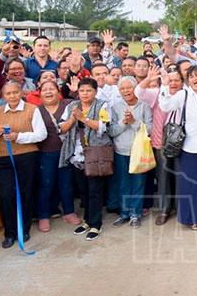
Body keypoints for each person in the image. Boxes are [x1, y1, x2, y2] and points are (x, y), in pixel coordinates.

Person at [0, 81, 47, 249]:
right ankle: (9, 232)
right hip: (2, 159)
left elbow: (41, 134)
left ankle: (24, 229)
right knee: (6, 195)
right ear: (3, 96)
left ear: (21, 93)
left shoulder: (32, 110)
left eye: (15, 93)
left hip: (27, 157)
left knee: (26, 192)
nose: (12, 96)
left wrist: (19, 137)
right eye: (8, 94)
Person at [160, 66, 197, 230]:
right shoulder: (184, 94)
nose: (195, 78)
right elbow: (166, 106)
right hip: (191, 148)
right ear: (187, 80)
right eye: (191, 76)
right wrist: (165, 86)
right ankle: (192, 218)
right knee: (192, 184)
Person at [60, 78, 112, 241]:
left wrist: (83, 118)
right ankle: (87, 221)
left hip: (96, 154)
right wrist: (73, 118)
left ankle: (96, 224)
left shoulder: (102, 104)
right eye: (82, 90)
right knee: (83, 190)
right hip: (76, 154)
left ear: (95, 92)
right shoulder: (71, 106)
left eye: (88, 90)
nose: (84, 94)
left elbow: (104, 127)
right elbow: (61, 128)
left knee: (95, 189)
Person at [137, 65, 181, 225]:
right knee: (163, 178)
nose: (173, 83)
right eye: (170, 80)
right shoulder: (157, 94)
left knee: (180, 176)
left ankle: (181, 207)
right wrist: (149, 78)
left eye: (177, 80)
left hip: (183, 144)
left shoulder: (186, 95)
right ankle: (164, 209)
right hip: (160, 143)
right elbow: (139, 93)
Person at [35, 80, 79, 232]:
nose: (48, 92)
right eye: (44, 89)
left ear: (58, 91)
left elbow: (83, 102)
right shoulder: (36, 110)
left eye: (51, 89)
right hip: (45, 153)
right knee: (46, 185)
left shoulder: (67, 104)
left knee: (66, 183)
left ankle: (69, 212)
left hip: (66, 151)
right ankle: (43, 216)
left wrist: (74, 91)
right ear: (39, 94)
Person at [109, 77, 152, 228]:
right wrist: (123, 122)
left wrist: (134, 121)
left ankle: (135, 214)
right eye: (122, 89)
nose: (126, 91)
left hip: (139, 152)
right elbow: (112, 131)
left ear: (135, 89)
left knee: (138, 184)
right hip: (121, 151)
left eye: (129, 88)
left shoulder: (144, 107)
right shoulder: (115, 107)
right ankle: (124, 213)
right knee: (123, 183)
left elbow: (149, 130)